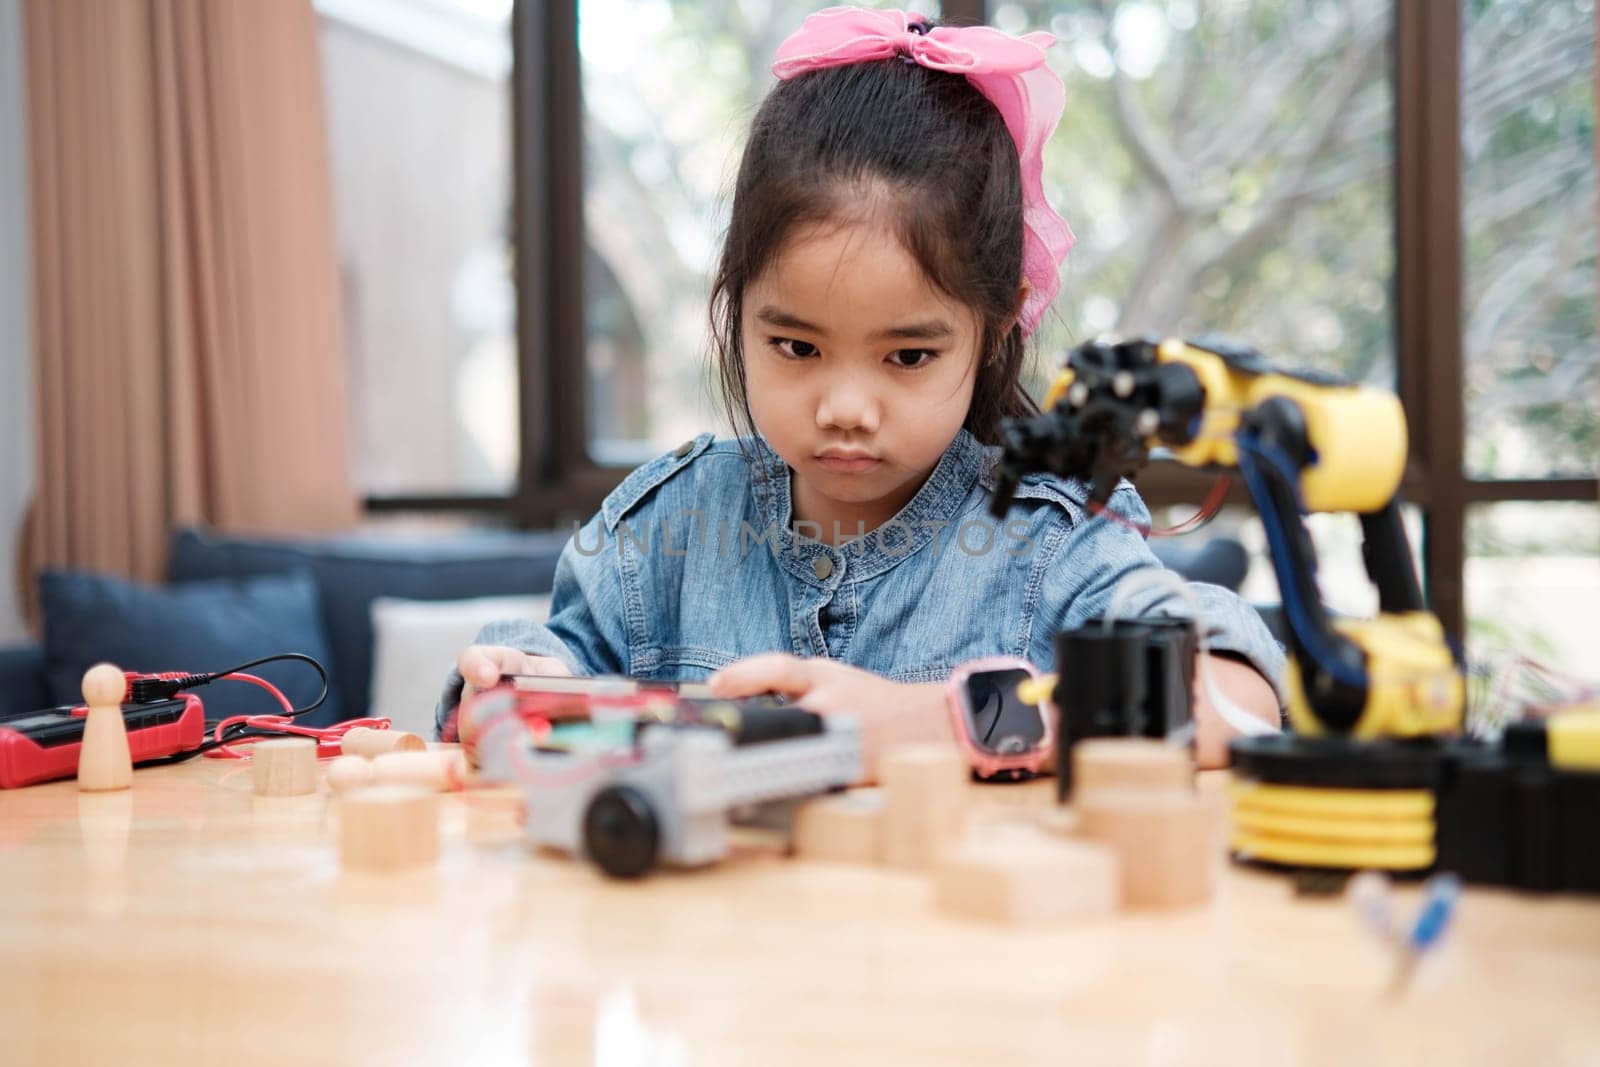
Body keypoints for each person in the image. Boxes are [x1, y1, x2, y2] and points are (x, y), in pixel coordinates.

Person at [438, 6, 1284, 771]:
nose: (845, 406)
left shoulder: (1049, 543)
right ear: (736, 308)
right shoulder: (668, 529)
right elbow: (557, 671)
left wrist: (938, 722)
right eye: (796, 345)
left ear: (997, 326)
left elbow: (1235, 700)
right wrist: (517, 688)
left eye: (907, 357)